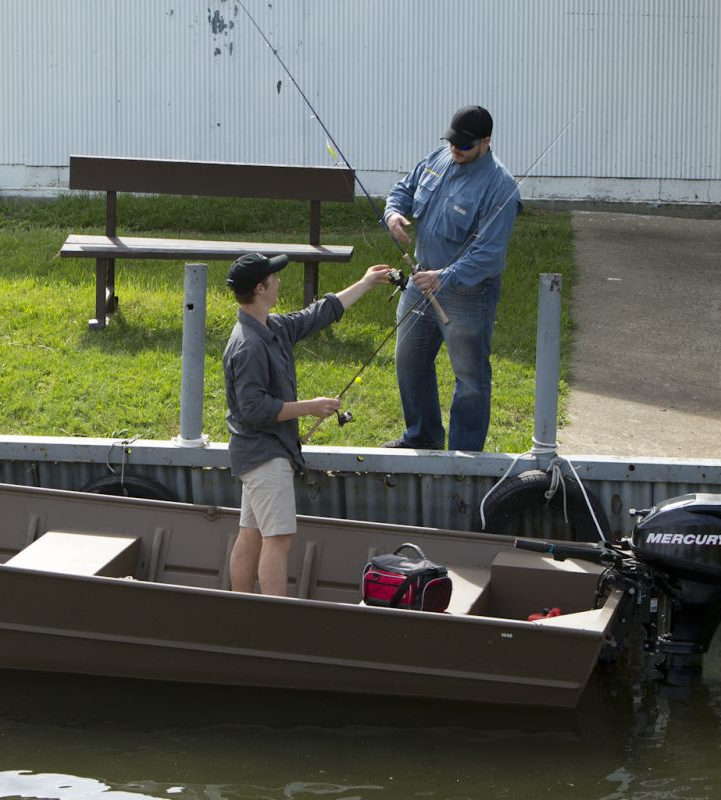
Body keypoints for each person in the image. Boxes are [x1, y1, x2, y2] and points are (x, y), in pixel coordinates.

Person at [222, 253, 393, 596]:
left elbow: (317, 314)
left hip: (256, 454)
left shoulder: (272, 326)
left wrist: (365, 283)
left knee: (252, 533)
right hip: (265, 456)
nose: (279, 280)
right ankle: (276, 619)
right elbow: (254, 409)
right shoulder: (250, 345)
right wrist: (309, 408)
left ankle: (238, 608)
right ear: (260, 287)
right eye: (274, 277)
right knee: (278, 539)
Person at [381, 105, 521, 452]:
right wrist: (394, 213)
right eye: (453, 142)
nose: (455, 150)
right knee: (409, 361)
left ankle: (465, 455)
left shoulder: (500, 187)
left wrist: (445, 277)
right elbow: (405, 187)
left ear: (486, 142)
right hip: (419, 282)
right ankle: (423, 437)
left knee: (470, 377)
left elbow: (488, 254)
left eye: (465, 146)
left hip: (468, 294)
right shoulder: (440, 156)